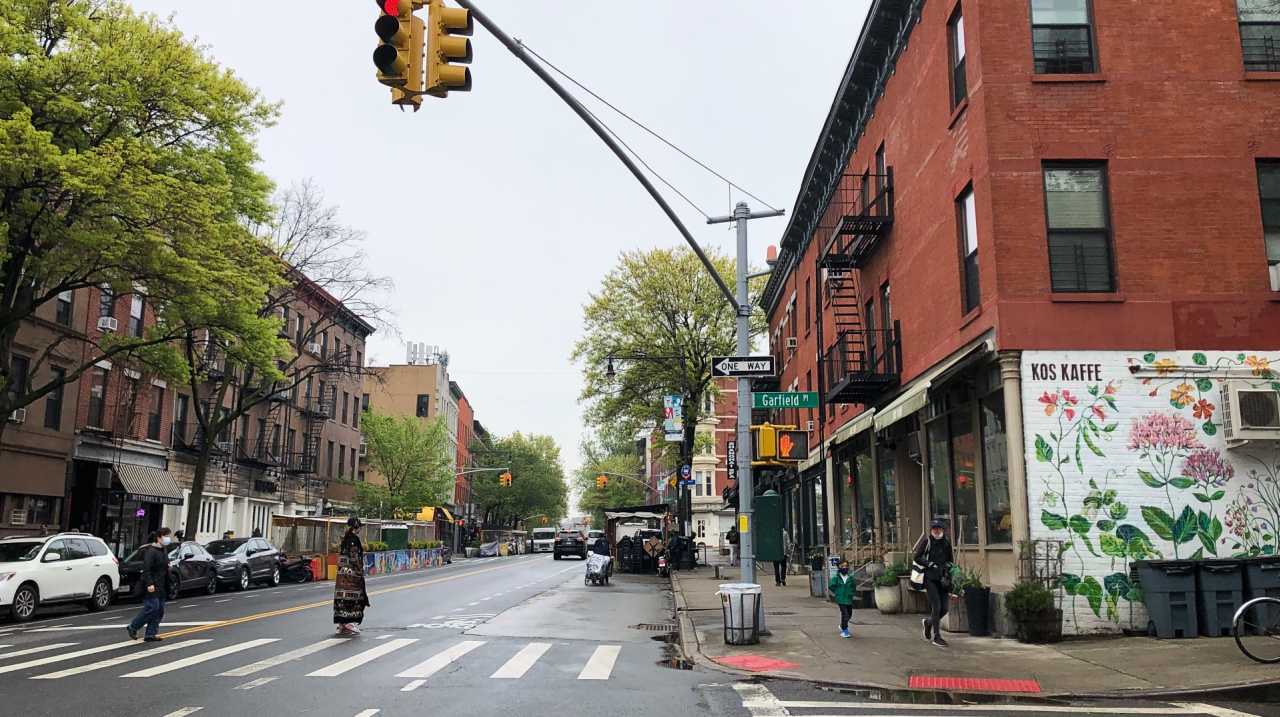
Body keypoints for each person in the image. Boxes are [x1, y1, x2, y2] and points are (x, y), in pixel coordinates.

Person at [914, 519, 955, 647]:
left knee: (944, 608)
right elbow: (917, 557)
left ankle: (928, 622)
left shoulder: (947, 543)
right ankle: (937, 636)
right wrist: (929, 564)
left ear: (942, 530)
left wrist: (950, 571)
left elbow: (950, 561)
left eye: (938, 528)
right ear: (931, 530)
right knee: (936, 606)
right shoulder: (927, 542)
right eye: (934, 529)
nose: (936, 531)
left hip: (943, 580)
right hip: (929, 578)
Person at [127, 528, 172, 642]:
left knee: (159, 610)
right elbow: (146, 569)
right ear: (159, 538)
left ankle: (151, 634)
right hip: (151, 585)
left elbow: (164, 566)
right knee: (152, 607)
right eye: (166, 536)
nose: (168, 539)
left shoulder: (164, 550)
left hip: (161, 585)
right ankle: (133, 626)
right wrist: (149, 583)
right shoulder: (151, 551)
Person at [333, 517, 370, 635]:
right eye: (359, 527)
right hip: (352, 575)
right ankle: (348, 622)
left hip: (342, 574)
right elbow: (354, 557)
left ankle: (342, 623)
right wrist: (359, 571)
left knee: (342, 598)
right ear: (356, 527)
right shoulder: (354, 539)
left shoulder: (345, 539)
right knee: (353, 598)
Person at [828, 558, 855, 638]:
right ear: (839, 567)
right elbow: (831, 586)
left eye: (846, 566)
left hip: (848, 599)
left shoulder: (850, 578)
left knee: (849, 614)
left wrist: (851, 593)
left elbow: (853, 587)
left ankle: (842, 625)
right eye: (842, 566)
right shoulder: (836, 578)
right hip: (841, 599)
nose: (844, 568)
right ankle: (845, 631)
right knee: (845, 614)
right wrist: (837, 593)